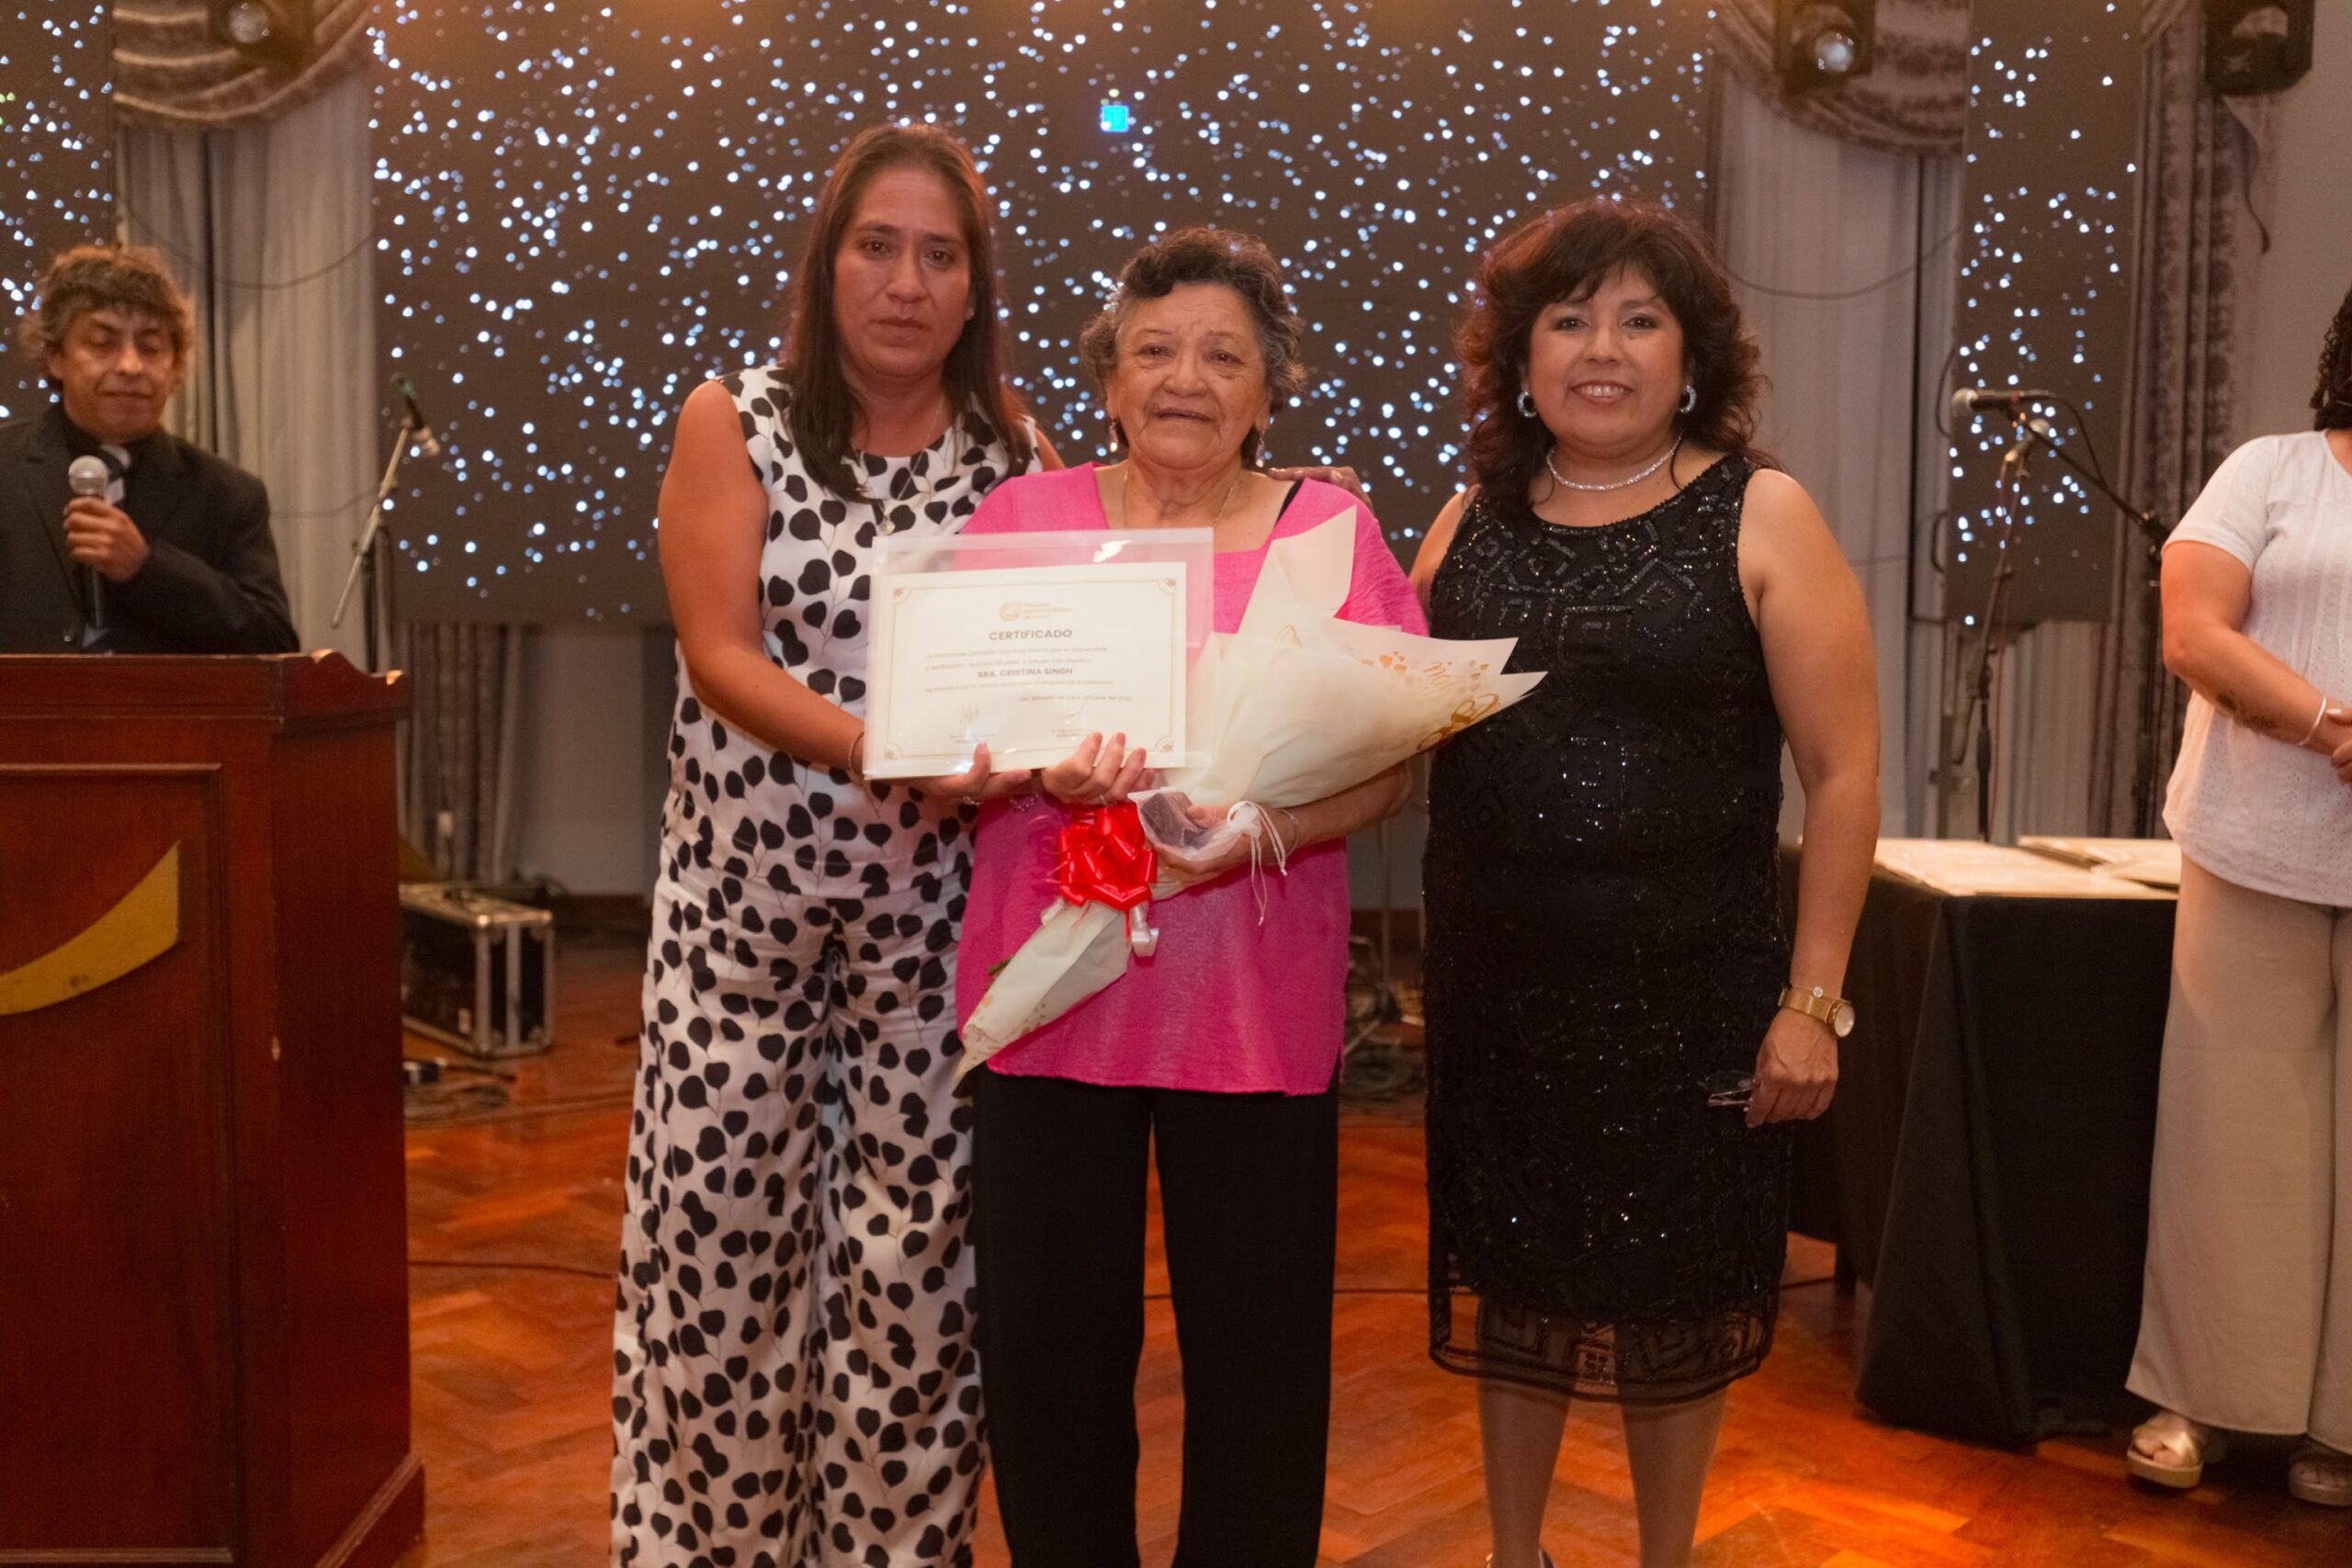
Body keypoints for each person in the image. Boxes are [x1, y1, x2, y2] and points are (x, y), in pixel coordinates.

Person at [1408, 198, 1879, 1568]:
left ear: (1692, 354)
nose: (1601, 349)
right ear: (1521, 356)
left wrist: (1814, 1003)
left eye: (1637, 319)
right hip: (1503, 998)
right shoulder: (1466, 521)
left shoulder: (1762, 511)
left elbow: (1844, 774)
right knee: (1520, 1289)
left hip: (1693, 998)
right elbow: (1378, 725)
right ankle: (1515, 1555)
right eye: (1567, 320)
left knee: (1675, 1306)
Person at [612, 122, 1051, 1567]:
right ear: (828, 263)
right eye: (878, 246)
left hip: (933, 936)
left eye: (939, 255)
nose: (906, 282)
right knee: (718, 1267)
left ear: (974, 288)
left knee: (916, 1284)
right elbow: (720, 651)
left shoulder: (1014, 450)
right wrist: (881, 749)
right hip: (737, 928)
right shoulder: (731, 420)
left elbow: (1057, 652)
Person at [956, 227, 1422, 1567]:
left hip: (1253, 1013)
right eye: (1154, 351)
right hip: (1050, 1001)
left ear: (1269, 390)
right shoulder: (1019, 524)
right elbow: (939, 745)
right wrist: (1022, 767)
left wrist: (1272, 827)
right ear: (1107, 379)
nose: (1185, 380)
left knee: (1261, 1376)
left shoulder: (1329, 534)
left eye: (1224, 356)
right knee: (1048, 1367)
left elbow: (1396, 761)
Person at [2124, 281, 2352, 1509]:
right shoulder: (2271, 470)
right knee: (2231, 1135)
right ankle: (2204, 1398)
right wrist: (2333, 727)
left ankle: (2342, 1425)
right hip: (2254, 844)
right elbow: (2194, 633)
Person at [0, 243, 298, 654]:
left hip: (170, 700)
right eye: (102, 343)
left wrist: (147, 568)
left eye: (151, 347)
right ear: (56, 358)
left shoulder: (228, 494)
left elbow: (274, 644)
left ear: (174, 368)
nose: (131, 366)